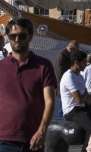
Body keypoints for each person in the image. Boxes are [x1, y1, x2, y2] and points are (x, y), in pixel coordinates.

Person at [0, 18, 57, 152]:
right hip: (3, 141)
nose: (17, 39)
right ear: (8, 38)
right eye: (13, 36)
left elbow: (50, 101)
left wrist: (42, 131)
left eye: (22, 35)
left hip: (33, 140)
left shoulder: (44, 66)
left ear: (30, 36)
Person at [60, 50, 91, 152]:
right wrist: (85, 96)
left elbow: (88, 101)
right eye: (84, 62)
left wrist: (84, 96)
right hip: (72, 111)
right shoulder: (68, 76)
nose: (86, 64)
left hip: (82, 109)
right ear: (76, 63)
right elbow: (79, 100)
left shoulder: (80, 76)